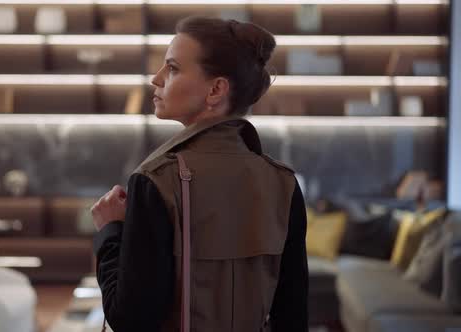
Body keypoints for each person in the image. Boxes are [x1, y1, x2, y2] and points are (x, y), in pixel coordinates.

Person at [91, 16, 308, 332]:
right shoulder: (283, 183)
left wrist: (111, 232)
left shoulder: (155, 180)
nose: (156, 78)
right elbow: (292, 315)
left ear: (216, 90)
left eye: (173, 68)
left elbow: (130, 320)